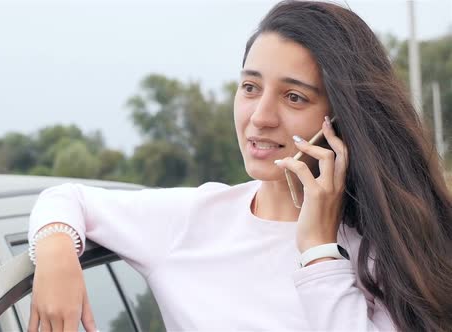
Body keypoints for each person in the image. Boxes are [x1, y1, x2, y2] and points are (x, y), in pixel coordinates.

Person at [27, 1, 452, 331]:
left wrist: (320, 252)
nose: (261, 116)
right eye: (250, 87)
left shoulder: (394, 252)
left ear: (342, 118)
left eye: (294, 97)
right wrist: (56, 253)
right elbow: (66, 199)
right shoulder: (193, 222)